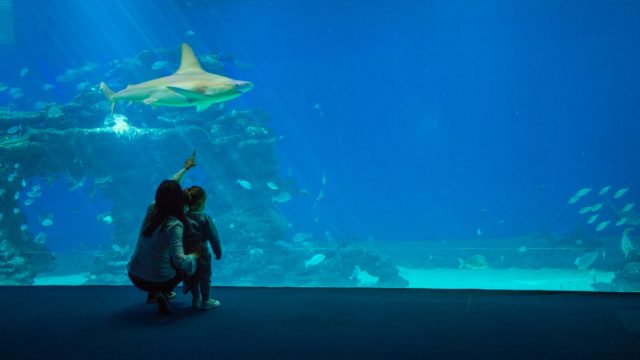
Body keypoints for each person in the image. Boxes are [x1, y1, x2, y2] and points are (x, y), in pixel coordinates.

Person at [127, 154, 198, 314]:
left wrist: (185, 169)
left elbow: (171, 188)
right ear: (179, 199)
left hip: (134, 276)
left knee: (158, 256)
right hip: (159, 280)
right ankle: (161, 291)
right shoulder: (174, 225)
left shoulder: (152, 210)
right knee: (188, 261)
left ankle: (153, 295)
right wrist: (194, 255)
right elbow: (180, 260)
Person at [182, 185, 223, 310]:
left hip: (186, 253)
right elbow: (213, 237)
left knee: (192, 276)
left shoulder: (182, 217)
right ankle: (206, 300)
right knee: (205, 276)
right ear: (201, 202)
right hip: (202, 253)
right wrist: (218, 251)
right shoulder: (204, 218)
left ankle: (195, 299)